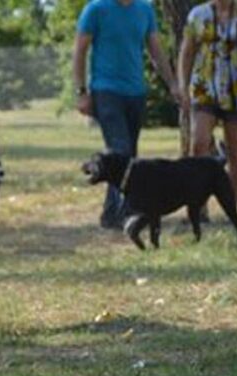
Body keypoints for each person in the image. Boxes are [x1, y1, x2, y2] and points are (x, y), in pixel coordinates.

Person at [73, 0, 183, 229]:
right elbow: (80, 50)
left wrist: (172, 83)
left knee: (128, 156)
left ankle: (111, 213)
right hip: (106, 90)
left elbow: (155, 50)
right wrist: (81, 92)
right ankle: (126, 213)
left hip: (136, 92)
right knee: (120, 150)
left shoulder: (144, 10)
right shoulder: (96, 9)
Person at [178, 0, 237, 203]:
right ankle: (197, 207)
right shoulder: (198, 14)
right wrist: (182, 86)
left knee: (234, 151)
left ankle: (231, 208)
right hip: (205, 87)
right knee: (199, 145)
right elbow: (187, 51)